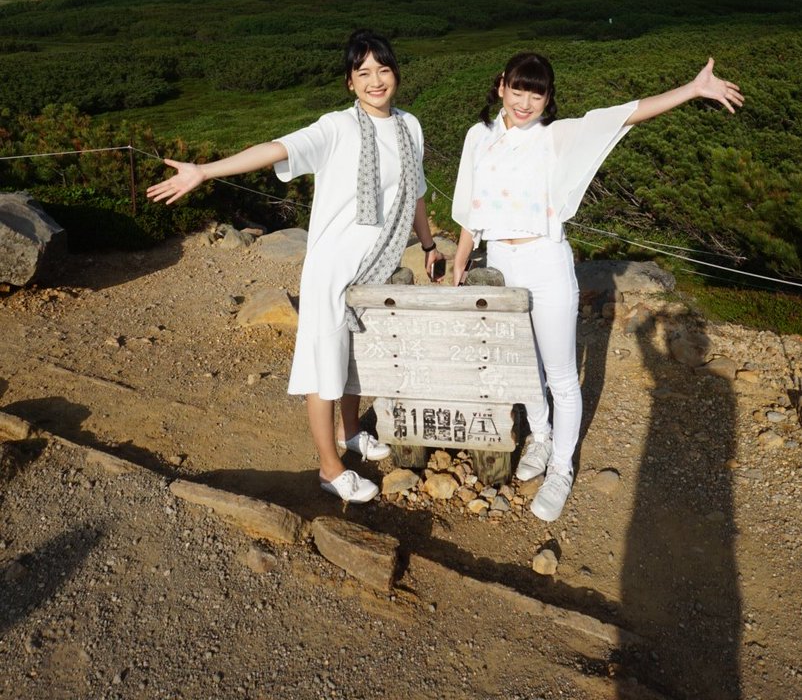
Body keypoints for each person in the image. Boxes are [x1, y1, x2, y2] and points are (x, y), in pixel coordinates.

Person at [147, 29, 444, 504]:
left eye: (383, 70)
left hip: (378, 264)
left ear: (396, 75)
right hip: (333, 268)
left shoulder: (411, 126)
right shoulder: (336, 127)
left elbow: (418, 192)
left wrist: (428, 244)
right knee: (326, 365)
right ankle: (330, 469)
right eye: (363, 72)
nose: (375, 81)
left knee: (357, 360)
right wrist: (205, 171)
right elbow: (275, 149)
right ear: (349, 82)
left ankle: (351, 435)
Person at [451, 53, 743, 523]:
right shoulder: (477, 136)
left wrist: (691, 90)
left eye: (537, 92)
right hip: (500, 261)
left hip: (545, 259)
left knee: (562, 374)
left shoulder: (556, 136)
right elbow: (469, 205)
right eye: (518, 89)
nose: (526, 102)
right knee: (525, 364)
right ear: (501, 86)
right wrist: (464, 255)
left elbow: (624, 114)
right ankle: (541, 439)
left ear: (548, 98)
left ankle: (561, 469)